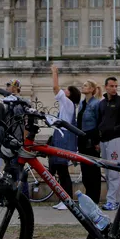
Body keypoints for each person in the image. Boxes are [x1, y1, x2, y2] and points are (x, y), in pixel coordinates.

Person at [48, 66, 81, 210]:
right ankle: (64, 199)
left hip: (63, 139)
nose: (64, 90)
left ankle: (67, 200)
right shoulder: (66, 104)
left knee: (63, 171)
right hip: (61, 138)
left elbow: (55, 87)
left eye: (67, 89)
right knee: (61, 171)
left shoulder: (68, 103)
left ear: (70, 94)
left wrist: (54, 72)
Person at [96, 77, 120, 211]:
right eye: (111, 86)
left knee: (114, 172)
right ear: (106, 87)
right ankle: (116, 200)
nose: (114, 88)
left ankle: (111, 201)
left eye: (116, 86)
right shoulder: (102, 103)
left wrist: (117, 128)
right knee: (107, 171)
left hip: (116, 139)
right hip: (103, 140)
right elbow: (100, 120)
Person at [76, 80, 102, 199]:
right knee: (85, 169)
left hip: (91, 137)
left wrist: (97, 141)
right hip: (82, 137)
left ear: (91, 89)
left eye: (85, 85)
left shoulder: (96, 104)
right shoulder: (82, 103)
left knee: (93, 169)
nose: (83, 86)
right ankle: (88, 195)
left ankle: (94, 196)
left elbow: (99, 123)